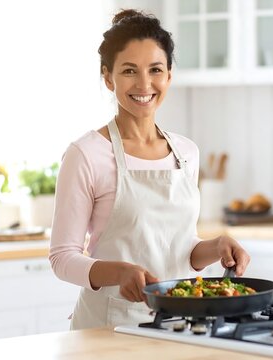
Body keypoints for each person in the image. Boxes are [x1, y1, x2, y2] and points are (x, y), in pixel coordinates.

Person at [49, 9, 250, 330]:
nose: (144, 84)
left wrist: (216, 246)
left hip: (179, 323)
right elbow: (62, 258)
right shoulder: (86, 154)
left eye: (155, 69)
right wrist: (119, 272)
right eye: (129, 70)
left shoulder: (186, 152)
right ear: (107, 76)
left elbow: (178, 249)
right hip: (108, 327)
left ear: (169, 74)